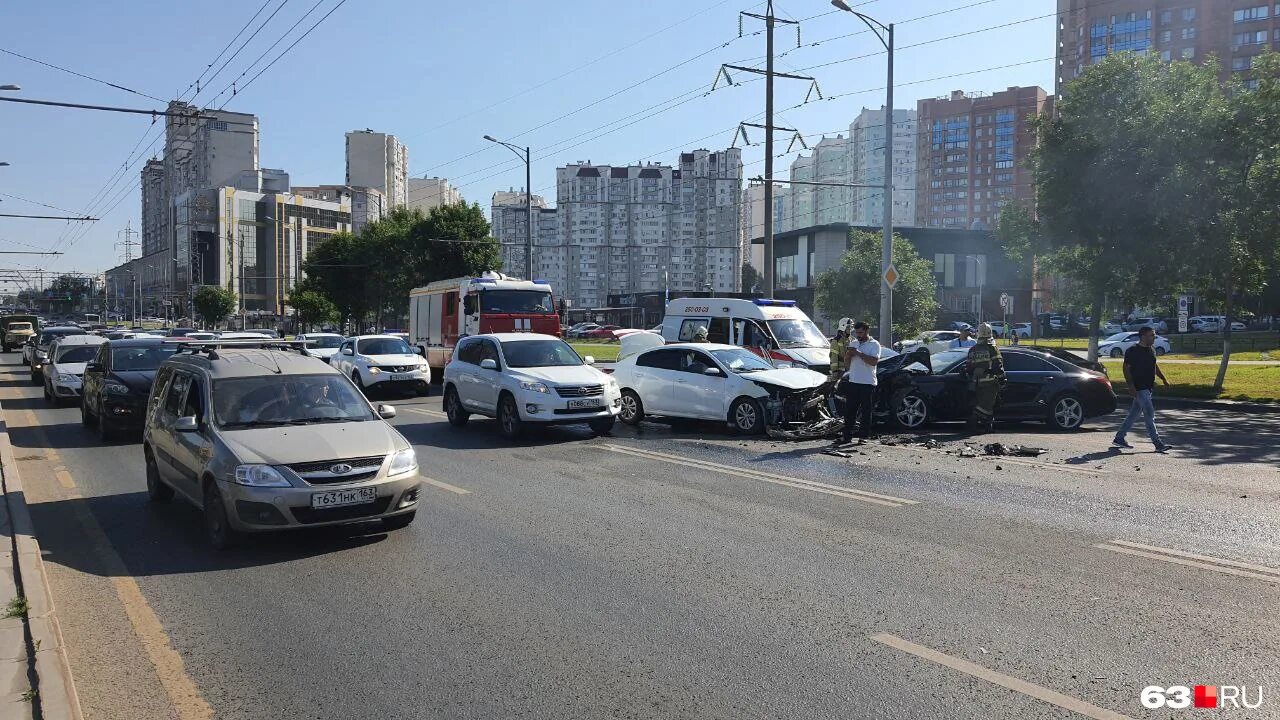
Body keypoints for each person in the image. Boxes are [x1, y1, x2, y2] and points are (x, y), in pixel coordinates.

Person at [1113, 326, 1173, 452]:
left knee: (1133, 414)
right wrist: (1130, 386)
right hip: (1139, 388)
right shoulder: (1132, 350)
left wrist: (1163, 378)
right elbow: (1126, 369)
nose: (1154, 337)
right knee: (1149, 414)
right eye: (1151, 335)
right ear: (1143, 336)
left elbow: (1154, 365)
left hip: (1148, 387)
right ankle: (1158, 443)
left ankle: (1119, 437)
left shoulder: (1152, 349)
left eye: (1154, 335)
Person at [838, 321, 880, 444]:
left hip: (868, 382)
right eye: (856, 332)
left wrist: (857, 353)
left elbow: (873, 362)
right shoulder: (854, 343)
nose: (858, 335)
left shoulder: (874, 344)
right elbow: (847, 364)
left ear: (867, 331)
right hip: (854, 381)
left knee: (866, 411)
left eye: (861, 332)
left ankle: (863, 437)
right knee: (850, 410)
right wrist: (848, 355)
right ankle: (846, 436)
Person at [965, 323, 1004, 433]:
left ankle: (988, 427)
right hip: (989, 382)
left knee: (986, 404)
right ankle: (972, 423)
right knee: (986, 405)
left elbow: (968, 367)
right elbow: (998, 365)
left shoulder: (973, 349)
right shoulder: (992, 349)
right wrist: (1002, 378)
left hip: (976, 382)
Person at [829, 317, 852, 382]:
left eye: (850, 327)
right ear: (843, 327)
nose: (850, 329)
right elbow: (833, 357)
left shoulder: (850, 340)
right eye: (848, 327)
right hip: (840, 371)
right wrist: (835, 371)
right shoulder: (836, 340)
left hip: (849, 370)